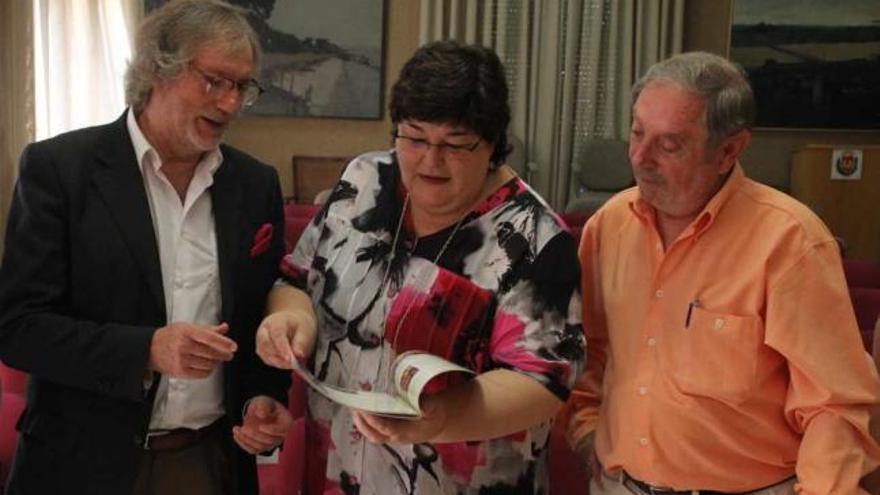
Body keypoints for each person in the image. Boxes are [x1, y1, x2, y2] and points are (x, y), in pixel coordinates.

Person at [255, 41, 585, 494]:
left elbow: (541, 384)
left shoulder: (533, 237)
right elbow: (296, 278)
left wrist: (441, 418)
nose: (430, 161)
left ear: (493, 146)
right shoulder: (365, 180)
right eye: (414, 137)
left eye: (455, 144)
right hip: (338, 469)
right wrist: (289, 317)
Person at [0, 1, 292, 493]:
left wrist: (263, 400)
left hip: (207, 462)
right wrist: (145, 350)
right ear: (158, 68)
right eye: (215, 81)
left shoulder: (254, 184)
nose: (231, 104)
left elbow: (260, 314)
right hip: (80, 466)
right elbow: (17, 327)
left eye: (243, 87)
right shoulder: (60, 169)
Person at [565, 51, 880, 494]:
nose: (640, 157)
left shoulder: (790, 241)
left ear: (729, 150)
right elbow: (588, 352)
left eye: (669, 144)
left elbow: (834, 408)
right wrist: (584, 434)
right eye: (637, 133)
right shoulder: (609, 225)